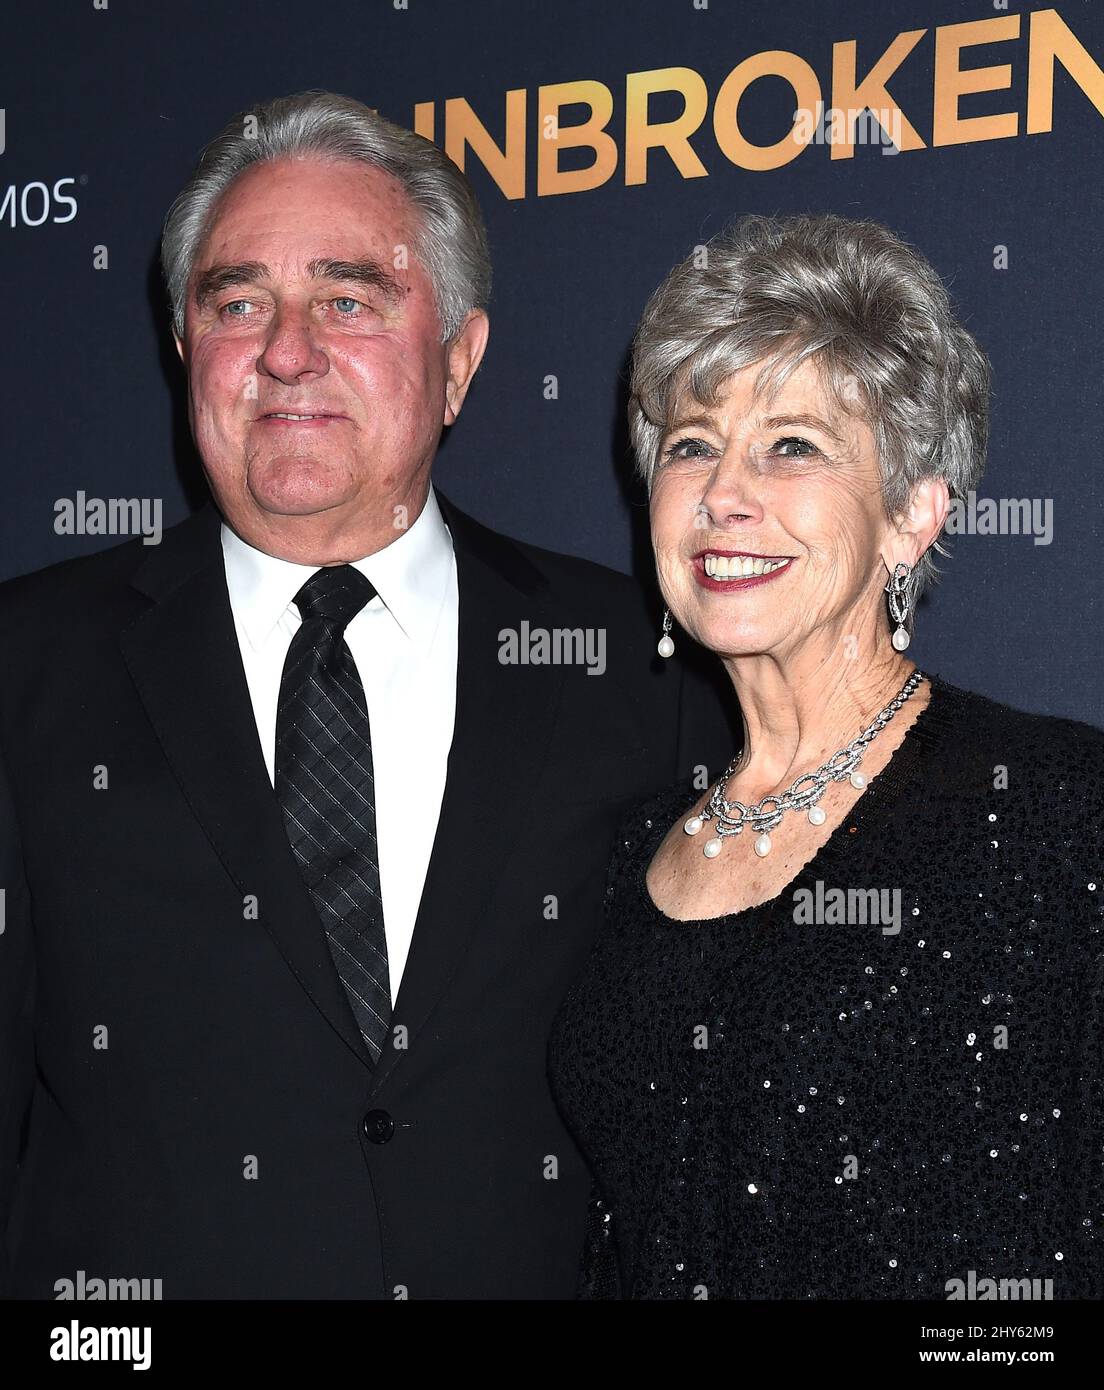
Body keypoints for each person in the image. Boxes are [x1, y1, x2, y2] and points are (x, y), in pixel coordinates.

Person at [0, 90, 731, 1299]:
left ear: (459, 359)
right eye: (238, 303)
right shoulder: (26, 667)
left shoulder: (639, 666)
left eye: (349, 300)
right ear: (187, 348)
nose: (286, 352)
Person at [548, 213, 1104, 1300]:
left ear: (912, 512)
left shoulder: (1053, 818)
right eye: (692, 444)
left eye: (792, 445)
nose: (722, 495)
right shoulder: (630, 852)